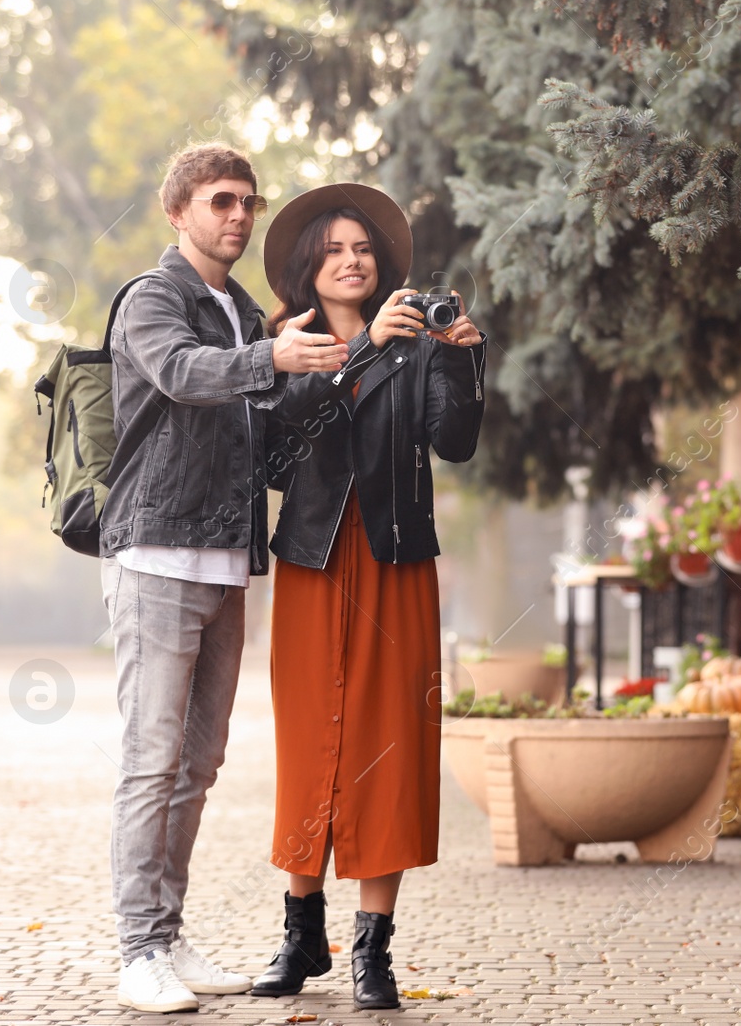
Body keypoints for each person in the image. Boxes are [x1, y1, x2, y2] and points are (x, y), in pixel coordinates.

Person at [97, 144, 347, 1013]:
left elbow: (267, 433)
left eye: (247, 203)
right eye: (219, 202)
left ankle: (168, 935)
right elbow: (182, 374)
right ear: (179, 212)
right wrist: (273, 361)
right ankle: (138, 950)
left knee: (198, 763)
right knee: (150, 759)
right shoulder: (153, 299)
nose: (238, 216)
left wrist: (330, 374)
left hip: (228, 564)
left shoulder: (245, 311)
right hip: (155, 555)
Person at [247, 183, 485, 1011]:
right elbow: (282, 450)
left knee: (388, 744)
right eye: (336, 249)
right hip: (313, 560)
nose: (352, 261)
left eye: (365, 250)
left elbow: (453, 442)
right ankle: (300, 929)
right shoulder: (284, 341)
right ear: (310, 265)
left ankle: (371, 950)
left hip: (396, 560)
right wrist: (360, 354)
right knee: (310, 740)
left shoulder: (416, 344)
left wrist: (458, 355)